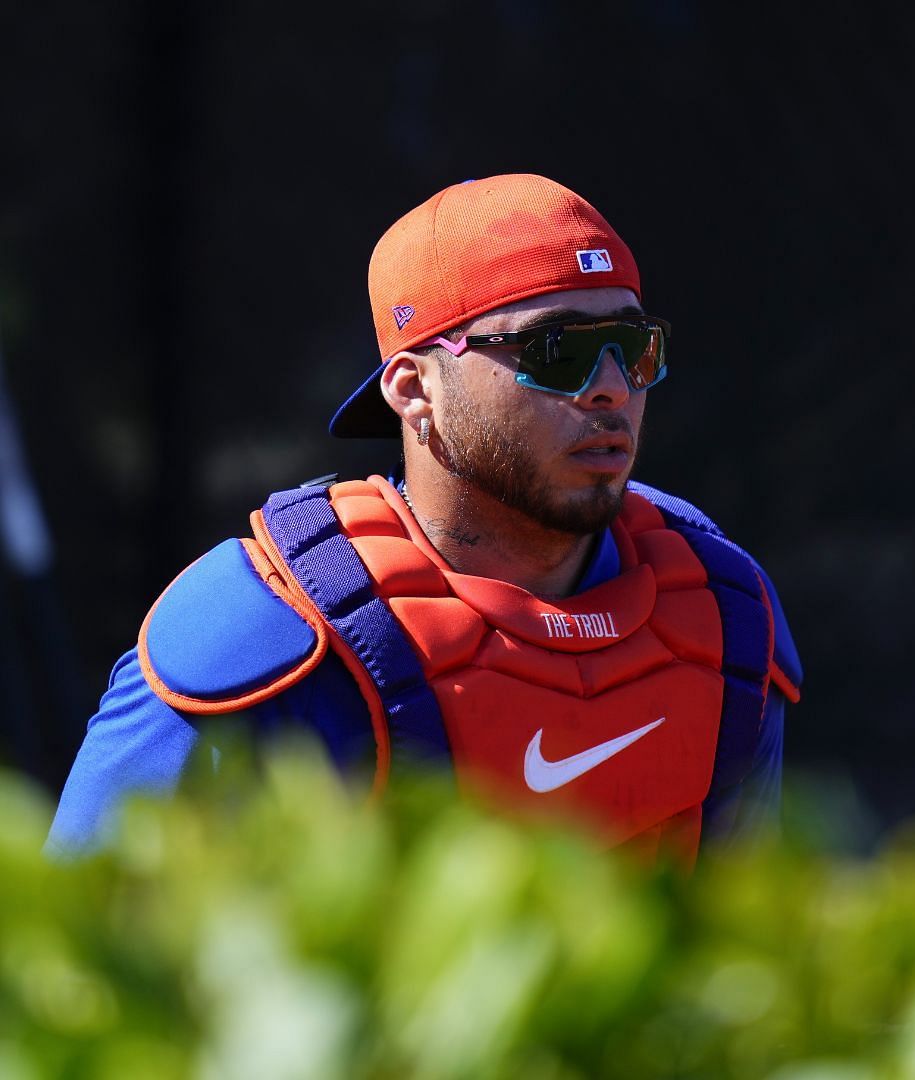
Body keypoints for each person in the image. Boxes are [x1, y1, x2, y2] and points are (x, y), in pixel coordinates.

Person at [50, 174, 801, 859]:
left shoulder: (721, 614)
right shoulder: (268, 634)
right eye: (555, 350)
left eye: (633, 349)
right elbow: (72, 962)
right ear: (413, 389)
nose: (610, 389)